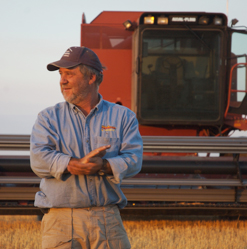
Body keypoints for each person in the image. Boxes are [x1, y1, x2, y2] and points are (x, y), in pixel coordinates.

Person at [30, 46, 143, 249]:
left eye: (69, 74)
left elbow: (134, 160)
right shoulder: (48, 117)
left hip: (108, 218)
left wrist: (104, 165)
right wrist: (72, 165)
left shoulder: (124, 116)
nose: (62, 80)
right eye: (61, 74)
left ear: (91, 78)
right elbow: (38, 159)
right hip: (60, 221)